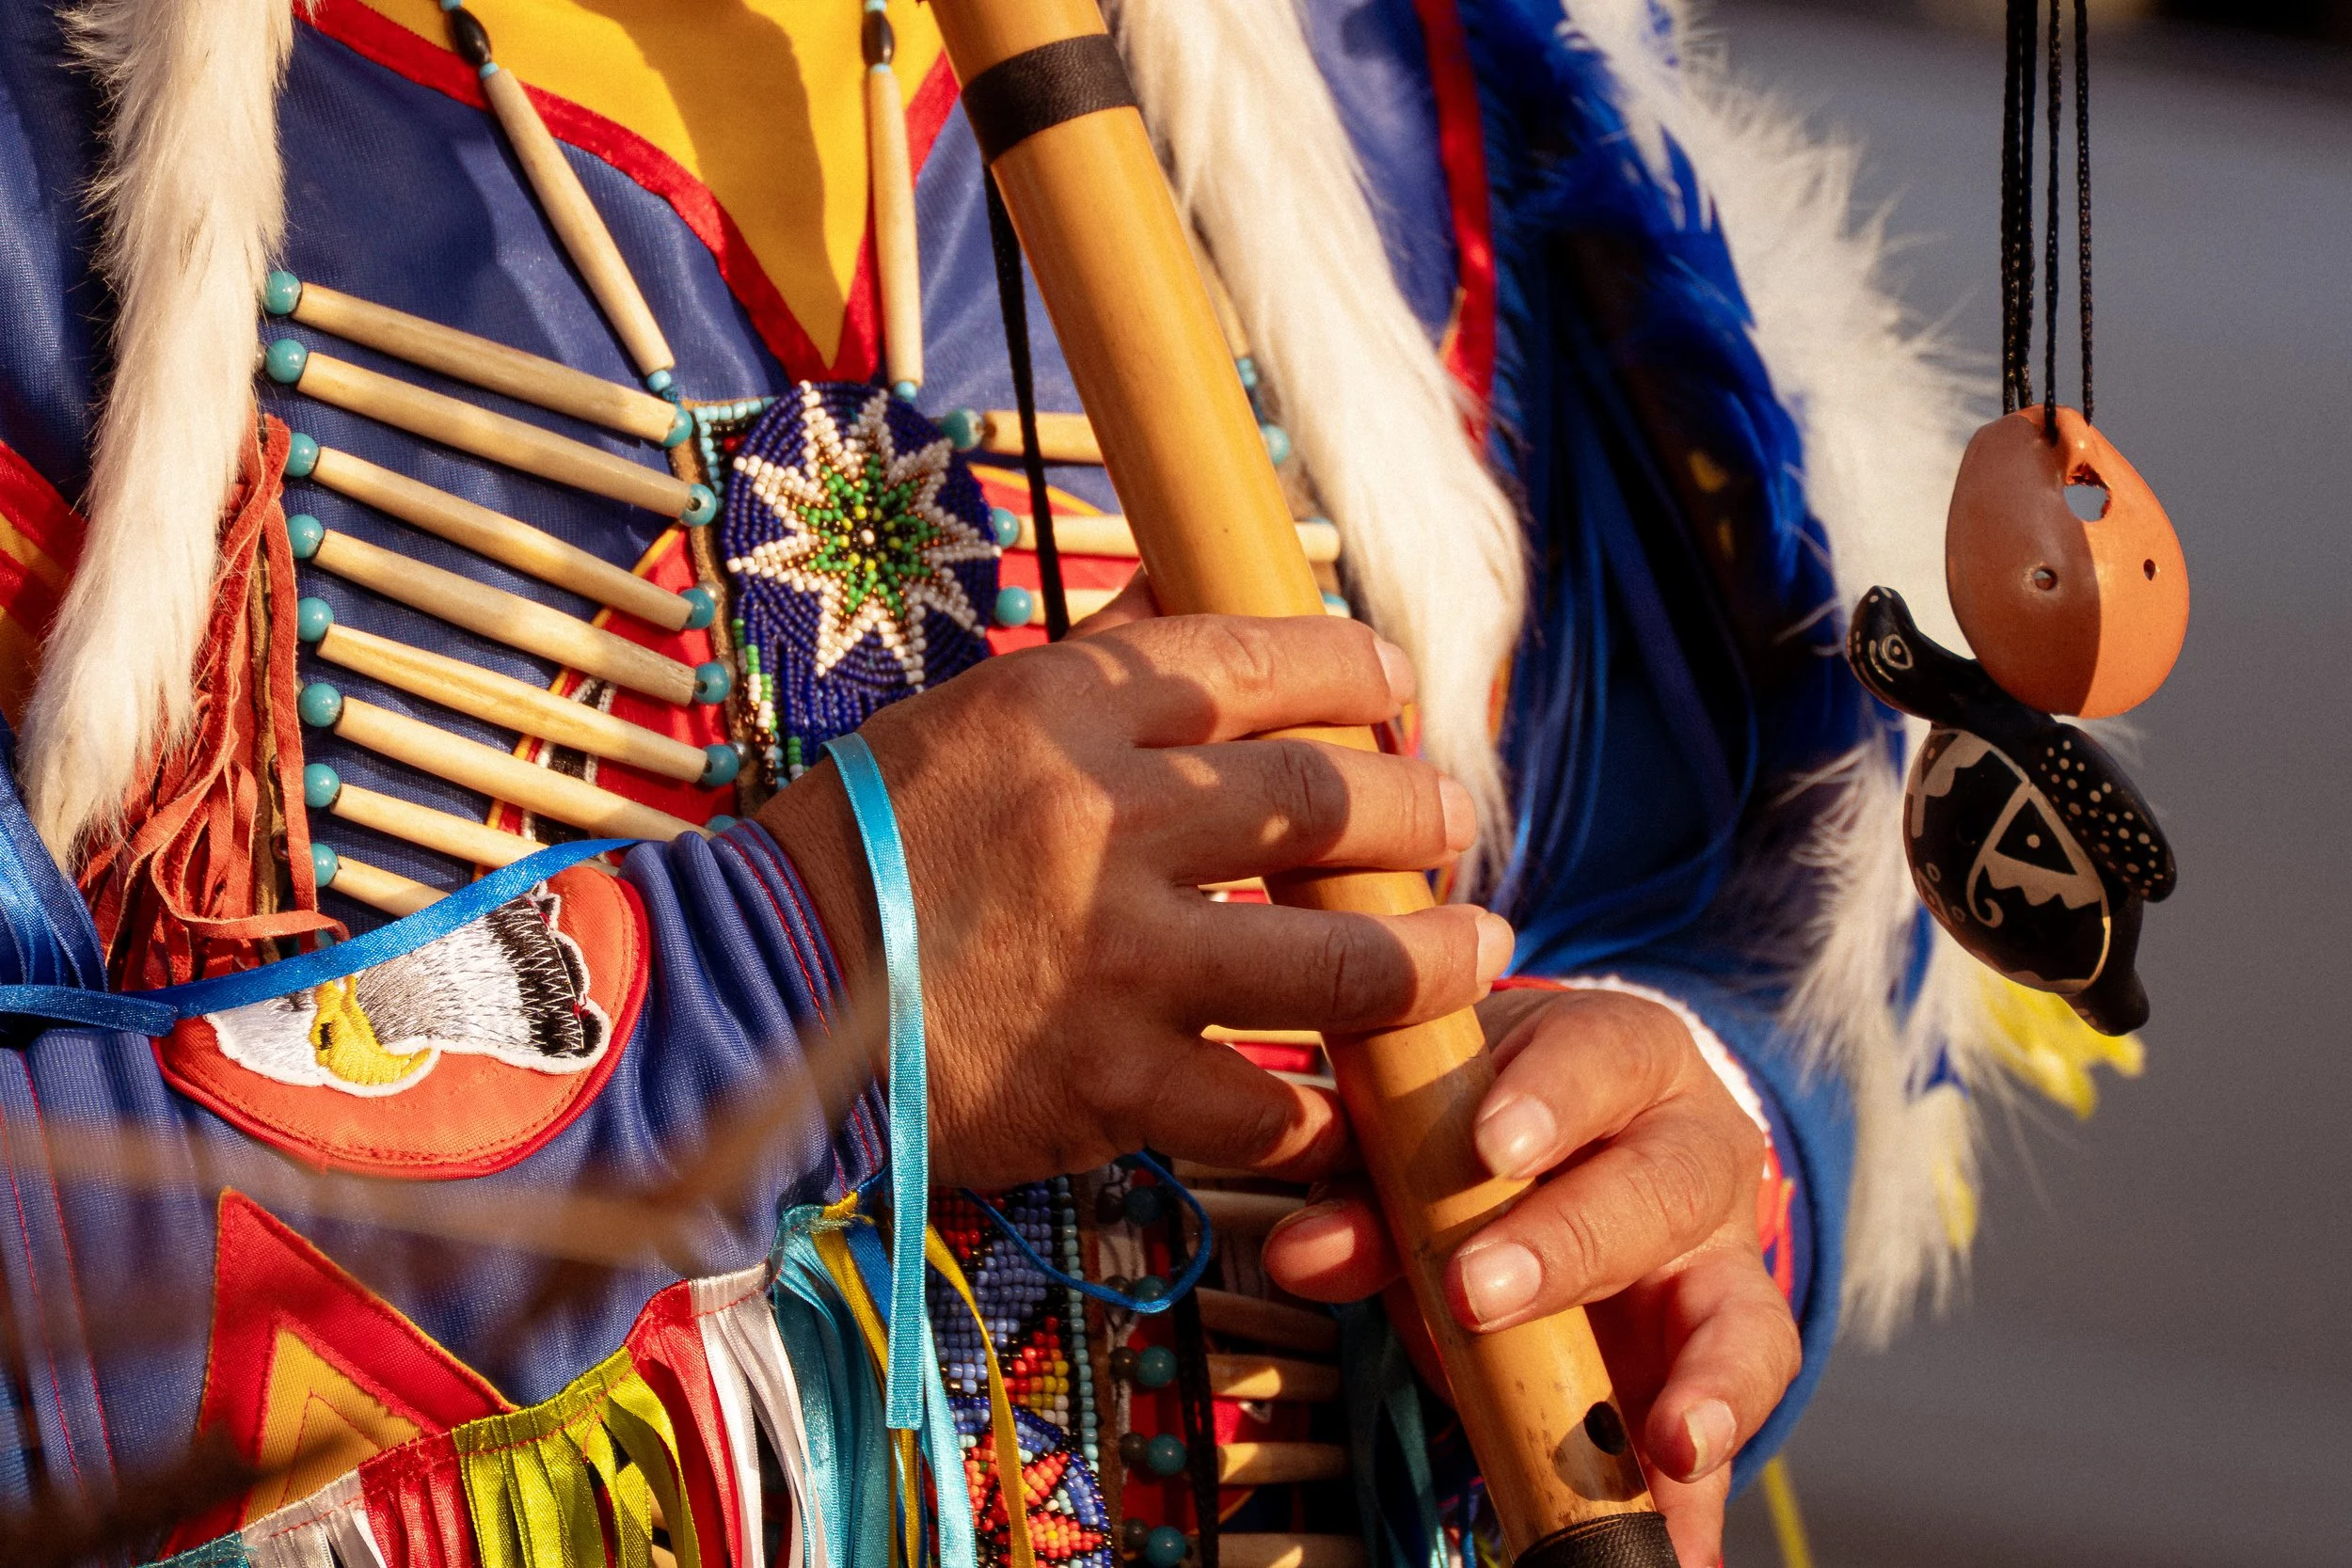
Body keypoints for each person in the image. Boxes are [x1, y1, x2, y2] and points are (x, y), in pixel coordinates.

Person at [0, 1, 2137, 1565]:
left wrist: (1672, 1146)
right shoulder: (47, 131)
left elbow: (1704, 911)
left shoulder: (1404, 120)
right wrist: (785, 986)